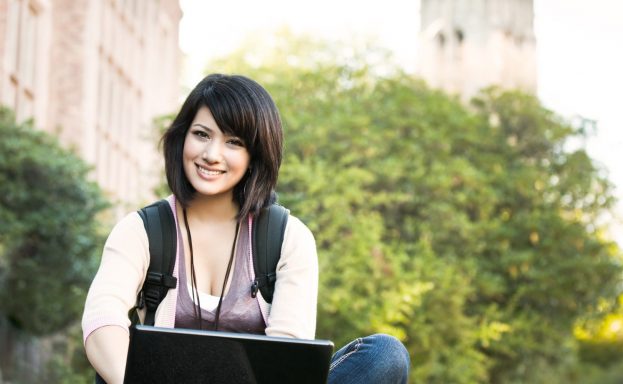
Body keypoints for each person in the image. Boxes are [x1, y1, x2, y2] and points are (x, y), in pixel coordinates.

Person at [81, 74, 410, 383]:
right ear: (183, 138)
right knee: (114, 359)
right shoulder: (141, 231)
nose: (211, 154)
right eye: (202, 134)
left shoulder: (288, 239)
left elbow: (287, 360)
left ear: (255, 154)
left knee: (384, 355)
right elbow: (102, 317)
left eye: (233, 142)